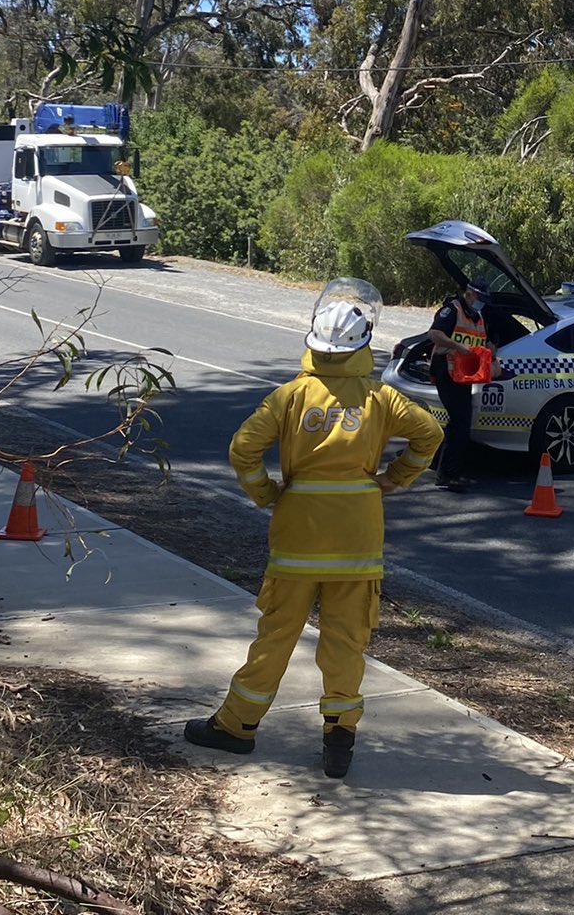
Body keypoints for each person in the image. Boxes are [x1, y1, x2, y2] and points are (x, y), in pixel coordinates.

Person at [182, 281, 443, 780]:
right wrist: (394, 478)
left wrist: (266, 493)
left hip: (297, 536)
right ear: (363, 345)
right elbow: (430, 433)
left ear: (314, 342)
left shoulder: (290, 396)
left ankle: (237, 726)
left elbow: (243, 449)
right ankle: (339, 737)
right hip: (357, 540)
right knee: (346, 641)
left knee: (276, 636)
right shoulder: (381, 397)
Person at [423, 280, 489, 491]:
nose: (482, 303)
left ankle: (446, 470)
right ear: (469, 294)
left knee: (459, 423)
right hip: (446, 370)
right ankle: (448, 474)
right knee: (460, 423)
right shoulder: (452, 311)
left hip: (463, 376)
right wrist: (457, 346)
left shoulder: (479, 318)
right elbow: (434, 334)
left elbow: (483, 343)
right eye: (480, 298)